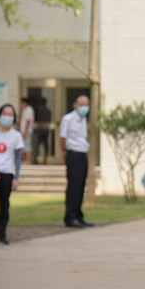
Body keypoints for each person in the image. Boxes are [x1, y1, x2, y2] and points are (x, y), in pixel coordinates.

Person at [0, 104, 25, 244]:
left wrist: (16, 177)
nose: (7, 117)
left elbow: (18, 158)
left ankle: (1, 235)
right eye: (5, 114)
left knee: (4, 205)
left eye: (10, 115)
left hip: (7, 172)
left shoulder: (16, 135)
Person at [59, 95, 94, 228]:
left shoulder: (83, 119)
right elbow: (62, 138)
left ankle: (79, 215)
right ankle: (70, 216)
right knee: (73, 186)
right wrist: (64, 152)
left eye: (87, 105)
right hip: (73, 154)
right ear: (75, 105)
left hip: (83, 155)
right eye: (81, 104)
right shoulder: (68, 119)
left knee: (81, 186)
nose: (84, 107)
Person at [34, 97, 51, 164]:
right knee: (45, 144)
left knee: (36, 145)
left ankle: (35, 158)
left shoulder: (38, 110)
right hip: (45, 130)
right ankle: (45, 158)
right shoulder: (48, 111)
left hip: (38, 130)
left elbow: (35, 119)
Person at [18, 97, 35, 164]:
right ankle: (25, 160)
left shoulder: (29, 109)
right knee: (24, 146)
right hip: (24, 131)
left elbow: (28, 121)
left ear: (24, 103)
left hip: (26, 131)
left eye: (21, 103)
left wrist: (25, 132)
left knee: (27, 145)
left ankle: (28, 160)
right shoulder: (26, 110)